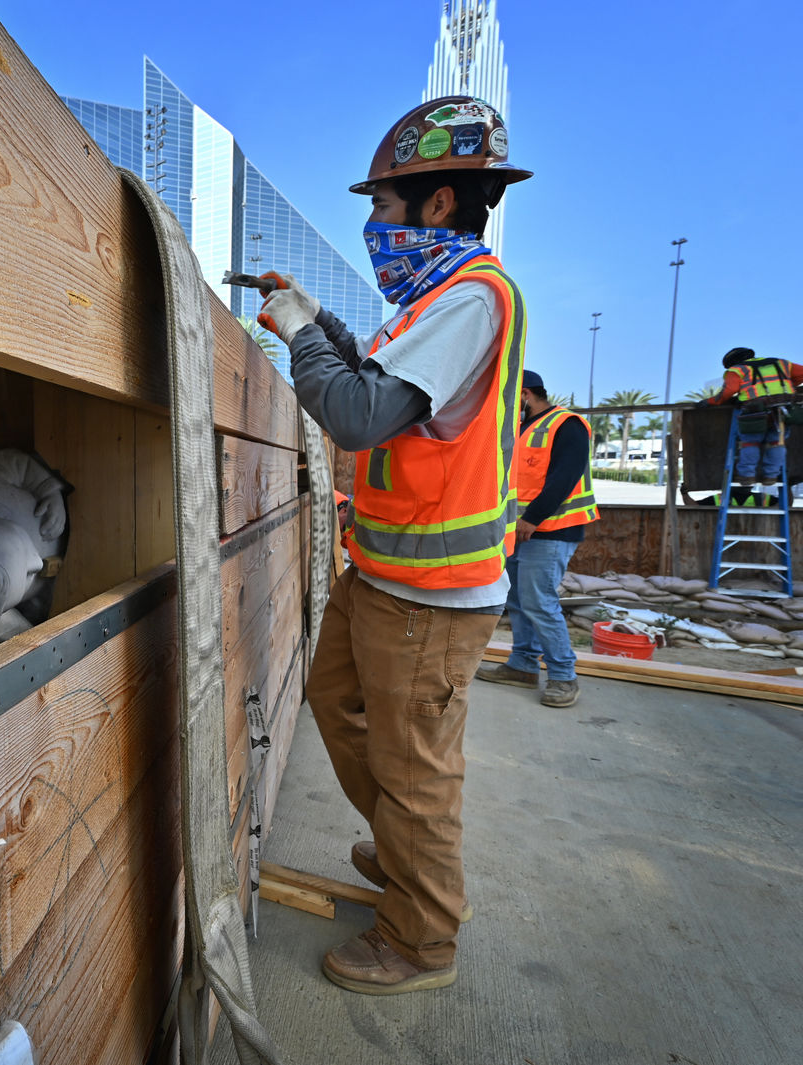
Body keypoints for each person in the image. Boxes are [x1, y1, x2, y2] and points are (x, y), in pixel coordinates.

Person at [256, 95, 529, 996]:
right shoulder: (430, 302)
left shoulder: (471, 299)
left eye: (382, 206)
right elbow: (373, 374)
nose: (374, 225)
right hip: (387, 574)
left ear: (437, 204)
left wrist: (300, 335)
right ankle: (420, 861)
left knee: (414, 768)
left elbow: (360, 412)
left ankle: (421, 936)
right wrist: (313, 317)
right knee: (340, 704)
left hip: (431, 592)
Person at [475, 371, 598, 706]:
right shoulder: (522, 429)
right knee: (517, 601)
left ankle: (563, 676)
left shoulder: (566, 424)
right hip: (520, 531)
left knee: (539, 603)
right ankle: (523, 664)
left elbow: (564, 477)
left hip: (551, 529)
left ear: (525, 395)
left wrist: (532, 519)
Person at [700, 347, 803, 485]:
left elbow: (729, 390)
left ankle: (747, 476)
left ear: (733, 362)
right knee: (776, 443)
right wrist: (787, 386)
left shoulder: (736, 370)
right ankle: (771, 476)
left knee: (750, 443)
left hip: (754, 411)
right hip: (782, 410)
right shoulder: (780, 363)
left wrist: (710, 401)